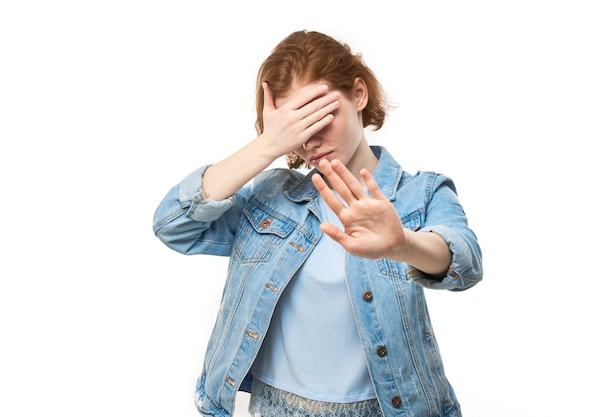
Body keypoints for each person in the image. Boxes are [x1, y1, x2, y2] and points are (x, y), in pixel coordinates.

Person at [153, 30, 482, 417]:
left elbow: (466, 262)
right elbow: (173, 224)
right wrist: (266, 146)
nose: (309, 142)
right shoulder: (271, 196)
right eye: (295, 129)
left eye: (320, 118)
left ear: (358, 95)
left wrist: (403, 245)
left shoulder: (422, 192)